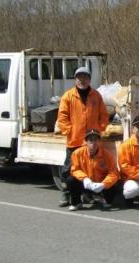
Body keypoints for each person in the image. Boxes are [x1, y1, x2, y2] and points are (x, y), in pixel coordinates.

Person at [56, 67, 109, 207]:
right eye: (79, 77)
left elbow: (104, 114)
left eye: (85, 77)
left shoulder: (96, 95)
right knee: (69, 170)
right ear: (75, 79)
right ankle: (66, 194)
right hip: (75, 141)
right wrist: (70, 131)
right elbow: (62, 117)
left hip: (92, 141)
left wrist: (101, 128)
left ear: (89, 79)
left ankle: (89, 194)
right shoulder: (68, 96)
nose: (82, 80)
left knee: (93, 169)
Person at [67, 129, 120, 211]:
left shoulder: (107, 155)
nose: (93, 143)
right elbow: (75, 170)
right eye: (90, 140)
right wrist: (85, 179)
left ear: (99, 141)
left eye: (96, 140)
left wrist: (104, 184)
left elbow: (114, 173)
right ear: (86, 142)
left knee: (115, 182)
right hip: (86, 183)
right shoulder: (77, 153)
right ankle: (76, 203)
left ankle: (106, 200)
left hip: (100, 184)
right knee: (71, 180)